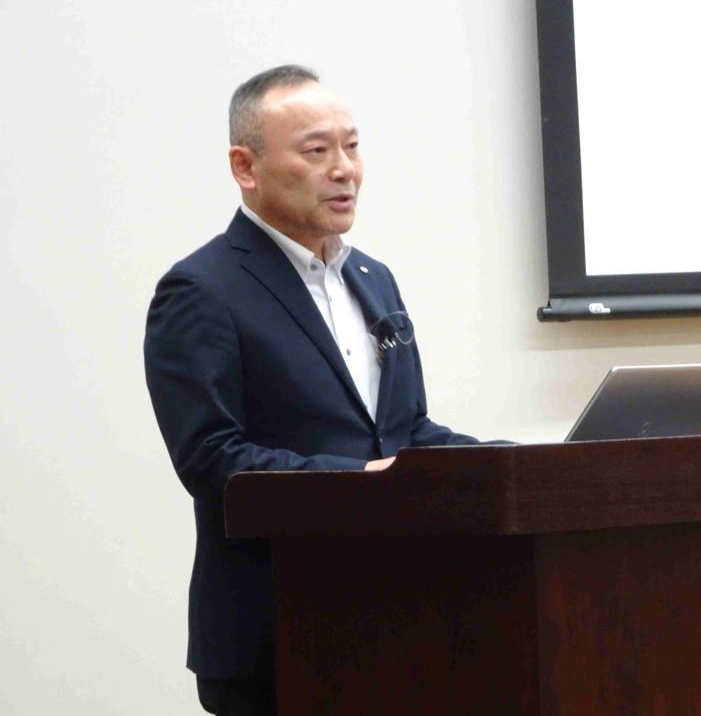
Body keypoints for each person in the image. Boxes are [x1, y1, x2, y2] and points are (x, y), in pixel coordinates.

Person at [144, 65, 487, 716]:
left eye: (352, 146)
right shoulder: (202, 290)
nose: (344, 169)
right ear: (245, 167)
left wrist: (510, 462)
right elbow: (212, 459)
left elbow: (405, 432)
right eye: (316, 150)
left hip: (403, 618)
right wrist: (363, 480)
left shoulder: (373, 278)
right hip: (278, 631)